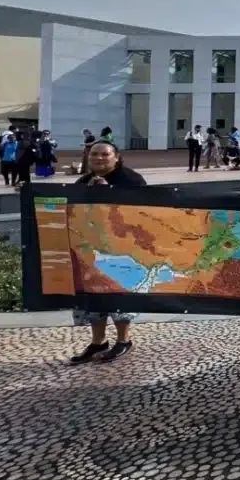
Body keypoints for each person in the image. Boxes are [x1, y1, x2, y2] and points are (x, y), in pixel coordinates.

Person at [69, 140, 148, 364]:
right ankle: (98, 342)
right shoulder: (83, 181)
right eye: (94, 154)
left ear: (116, 157)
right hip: (91, 250)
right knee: (94, 298)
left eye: (104, 154)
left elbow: (143, 213)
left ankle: (123, 341)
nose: (98, 158)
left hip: (122, 250)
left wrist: (107, 192)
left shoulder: (131, 180)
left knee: (119, 296)